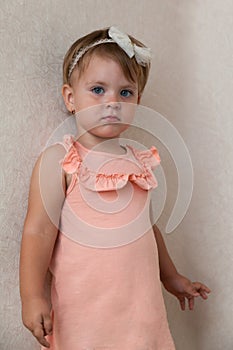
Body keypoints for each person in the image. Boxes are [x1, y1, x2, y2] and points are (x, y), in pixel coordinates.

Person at [19, 26, 211, 350]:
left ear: (138, 100)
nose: (112, 102)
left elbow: (148, 229)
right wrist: (32, 295)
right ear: (70, 97)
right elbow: (38, 231)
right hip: (85, 313)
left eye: (125, 93)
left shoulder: (139, 162)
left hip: (141, 310)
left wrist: (171, 277)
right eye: (97, 89)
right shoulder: (62, 161)